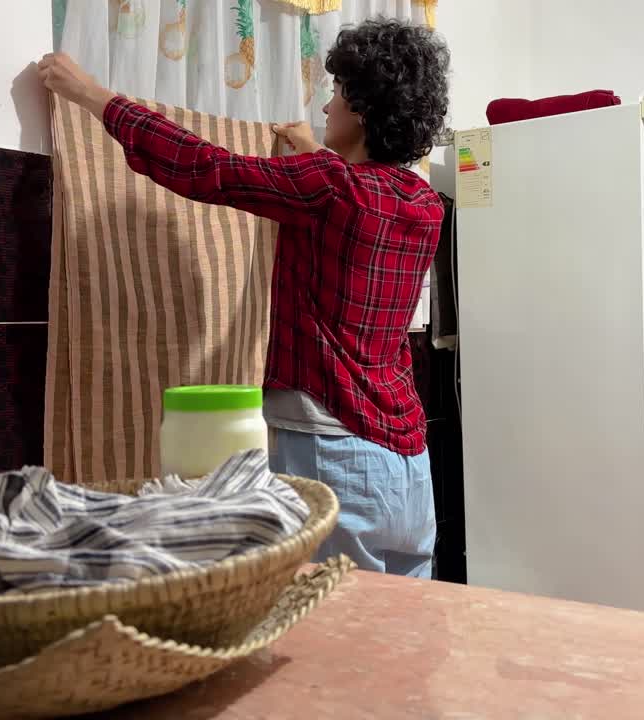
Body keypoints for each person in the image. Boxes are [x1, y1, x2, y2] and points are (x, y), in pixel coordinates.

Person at [38, 18, 450, 578]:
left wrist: (92, 95)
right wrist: (315, 154)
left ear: (361, 108)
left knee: (328, 619)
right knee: (407, 621)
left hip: (332, 455)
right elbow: (351, 201)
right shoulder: (424, 203)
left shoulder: (328, 186)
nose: (325, 106)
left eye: (336, 93)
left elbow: (206, 168)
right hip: (408, 464)